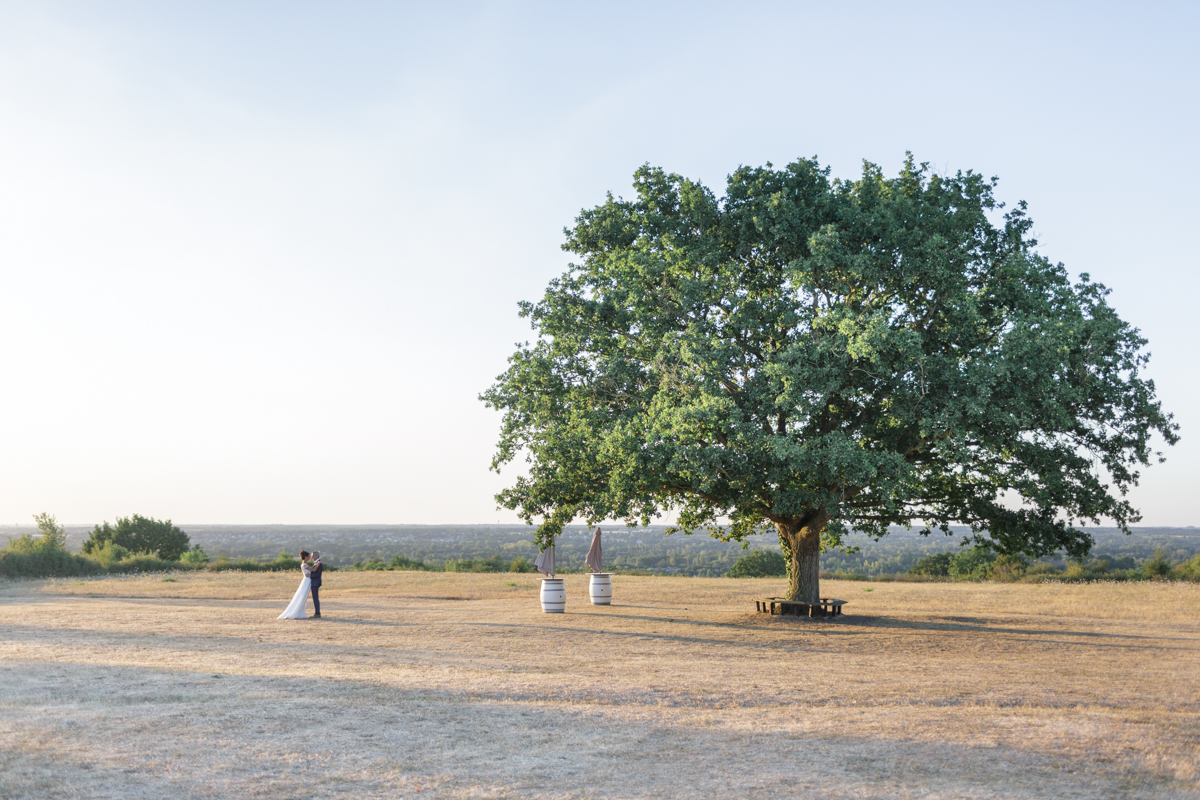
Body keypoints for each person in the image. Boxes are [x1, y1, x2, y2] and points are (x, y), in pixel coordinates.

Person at [277, 550, 314, 620]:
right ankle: (296, 612)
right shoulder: (304, 565)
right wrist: (318, 564)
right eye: (308, 556)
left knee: (303, 597)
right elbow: (313, 570)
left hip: (307, 580)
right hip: (307, 581)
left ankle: (300, 612)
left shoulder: (304, 564)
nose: (309, 557)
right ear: (305, 557)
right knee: (303, 596)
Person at [309, 550, 323, 618]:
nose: (311, 557)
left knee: (315, 598)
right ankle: (317, 612)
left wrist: (309, 576)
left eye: (313, 555)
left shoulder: (319, 563)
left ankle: (317, 613)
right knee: (315, 598)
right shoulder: (316, 562)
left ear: (316, 556)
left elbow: (317, 574)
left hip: (315, 582)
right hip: (314, 582)